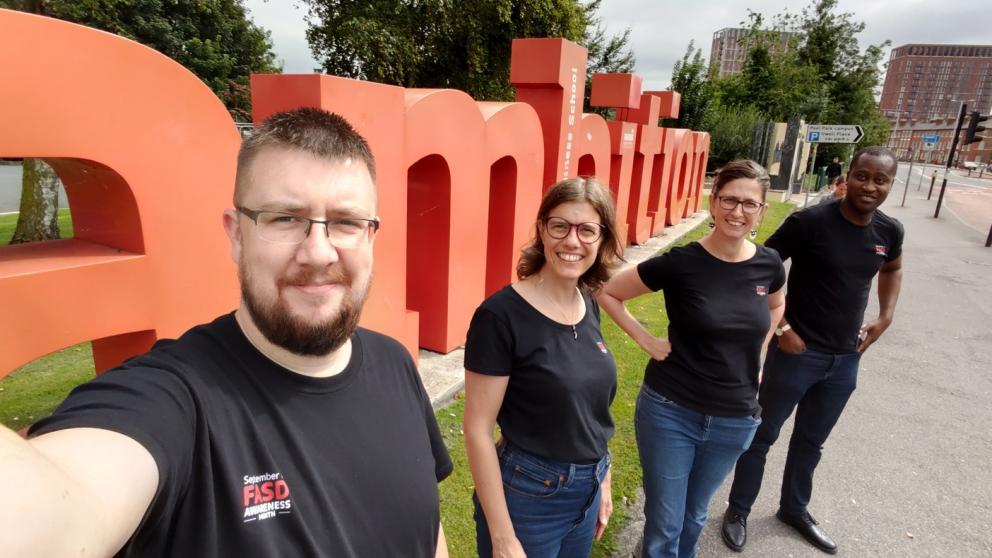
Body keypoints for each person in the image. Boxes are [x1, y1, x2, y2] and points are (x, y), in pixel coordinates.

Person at [0, 108, 453, 557]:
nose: (319, 253)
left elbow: (426, 528)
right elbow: (56, 509)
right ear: (237, 235)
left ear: (371, 237)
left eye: (346, 222)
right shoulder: (176, 399)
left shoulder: (395, 362)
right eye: (284, 218)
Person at [598, 160, 786, 558]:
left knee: (696, 516)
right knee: (666, 522)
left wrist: (762, 351)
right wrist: (646, 340)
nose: (738, 211)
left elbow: (775, 307)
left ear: (762, 211)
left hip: (735, 418)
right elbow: (609, 293)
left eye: (749, 203)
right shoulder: (683, 262)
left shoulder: (769, 264)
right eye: (730, 200)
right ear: (713, 203)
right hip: (671, 411)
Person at [721, 146, 904, 555]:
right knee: (762, 436)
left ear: (891, 184)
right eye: (863, 176)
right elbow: (761, 265)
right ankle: (738, 510)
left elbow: (892, 269)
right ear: (849, 176)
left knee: (811, 441)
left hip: (845, 359)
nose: (870, 186)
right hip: (797, 354)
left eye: (881, 180)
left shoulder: (889, 232)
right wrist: (782, 326)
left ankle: (794, 509)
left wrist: (885, 316)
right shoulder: (811, 222)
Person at [464, 177, 624, 558]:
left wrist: (603, 479)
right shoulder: (500, 316)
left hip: (586, 491)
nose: (572, 241)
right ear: (541, 229)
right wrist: (502, 536)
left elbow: (590, 409)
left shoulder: (588, 303)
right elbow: (477, 430)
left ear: (602, 238)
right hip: (528, 497)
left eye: (587, 230)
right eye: (560, 226)